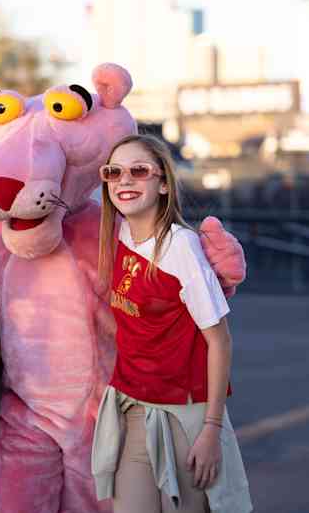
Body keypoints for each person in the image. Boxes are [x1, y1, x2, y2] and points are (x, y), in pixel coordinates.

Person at [92, 134, 252, 513]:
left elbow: (220, 341)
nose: (124, 180)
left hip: (186, 413)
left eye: (139, 171)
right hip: (131, 405)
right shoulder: (120, 234)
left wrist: (211, 429)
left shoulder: (180, 247)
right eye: (114, 172)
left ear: (163, 182)